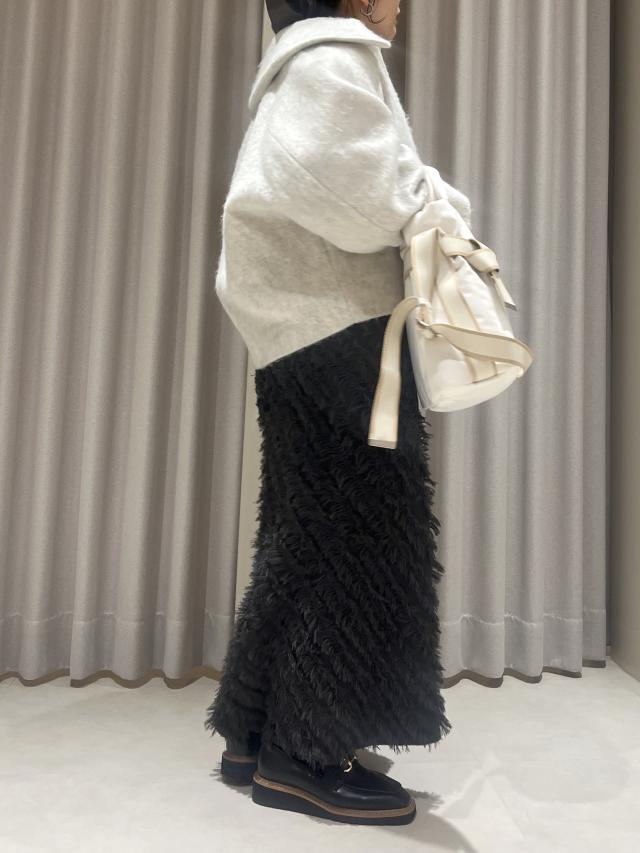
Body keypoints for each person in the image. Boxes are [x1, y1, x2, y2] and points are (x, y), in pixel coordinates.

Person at [205, 0, 473, 826]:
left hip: (301, 328)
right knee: (362, 538)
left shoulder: (301, 64)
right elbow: (359, 195)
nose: (399, 3)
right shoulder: (331, 59)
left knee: (305, 529)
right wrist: (436, 199)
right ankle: (307, 754)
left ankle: (258, 728)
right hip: (338, 329)